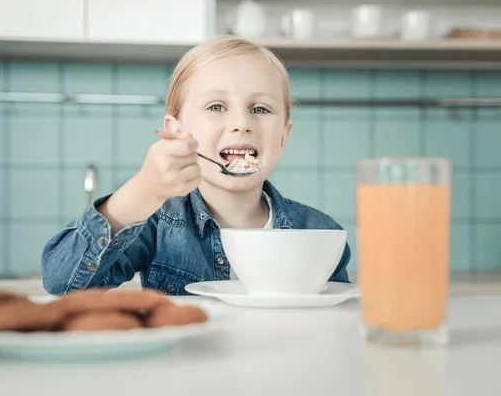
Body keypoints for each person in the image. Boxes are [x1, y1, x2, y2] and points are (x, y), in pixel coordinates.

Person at [41, 35, 350, 295]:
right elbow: (61, 283)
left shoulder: (322, 233)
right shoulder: (159, 224)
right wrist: (141, 193)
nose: (241, 123)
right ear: (177, 132)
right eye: (217, 106)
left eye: (260, 108)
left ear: (283, 136)